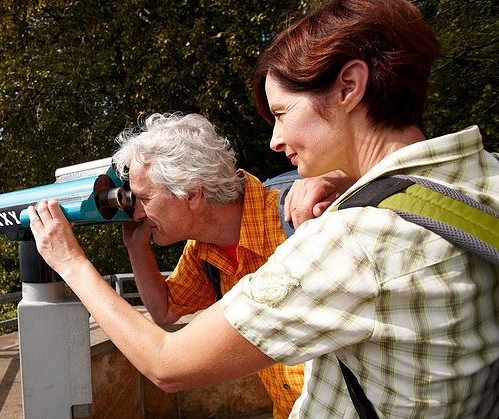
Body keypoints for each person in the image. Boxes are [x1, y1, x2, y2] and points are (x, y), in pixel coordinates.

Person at [27, 0, 499, 417]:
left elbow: (167, 364)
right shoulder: (478, 175)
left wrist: (70, 262)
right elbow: (167, 310)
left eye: (280, 113)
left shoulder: (340, 235)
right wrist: (351, 179)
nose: (274, 140)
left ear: (349, 86)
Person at [113, 112, 316, 418]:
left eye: (144, 198)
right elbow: (164, 310)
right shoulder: (202, 250)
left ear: (192, 194)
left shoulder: (299, 217)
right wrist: (136, 248)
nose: (137, 213)